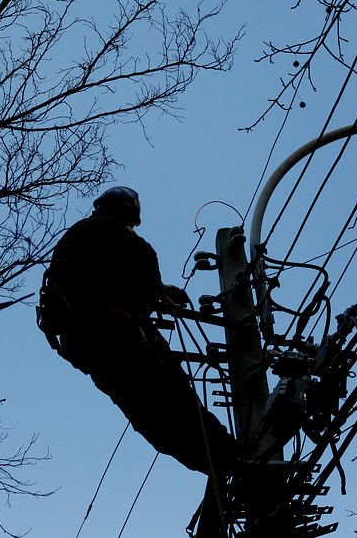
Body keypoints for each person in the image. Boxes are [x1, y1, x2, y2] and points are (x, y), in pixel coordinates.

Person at [39, 187, 237, 475]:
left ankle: (216, 465)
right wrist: (154, 293)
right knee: (174, 398)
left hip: (84, 345)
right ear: (127, 216)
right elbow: (143, 263)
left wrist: (157, 291)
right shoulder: (118, 235)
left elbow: (101, 277)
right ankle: (230, 458)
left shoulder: (75, 237)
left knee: (149, 416)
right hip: (116, 336)